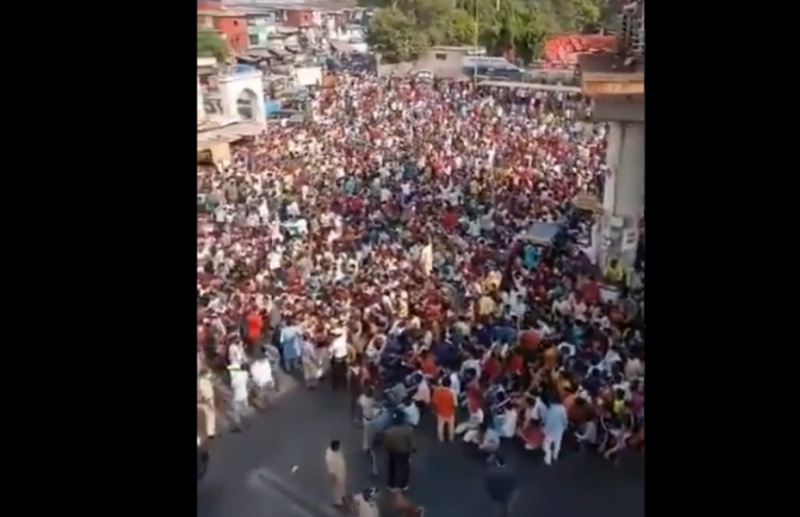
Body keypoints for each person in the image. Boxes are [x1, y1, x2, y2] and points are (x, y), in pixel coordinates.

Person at [381, 409, 414, 491]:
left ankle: (391, 485)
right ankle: (403, 485)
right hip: (404, 452)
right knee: (405, 468)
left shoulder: (388, 432)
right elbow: (411, 442)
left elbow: (385, 444)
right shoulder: (408, 430)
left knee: (392, 467)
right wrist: (413, 449)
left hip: (392, 451)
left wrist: (386, 450)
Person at [538, 389, 568, 466]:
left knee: (546, 444)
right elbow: (564, 419)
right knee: (558, 443)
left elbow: (544, 419)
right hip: (559, 429)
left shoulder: (547, 408)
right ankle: (555, 455)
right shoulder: (562, 408)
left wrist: (542, 426)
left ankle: (548, 455)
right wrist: (565, 425)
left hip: (549, 429)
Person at [431, 377, 457, 442]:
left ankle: (441, 438)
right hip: (450, 412)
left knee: (440, 426)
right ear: (450, 384)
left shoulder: (436, 391)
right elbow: (455, 404)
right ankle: (451, 438)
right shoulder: (452, 392)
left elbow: (435, 402)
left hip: (440, 412)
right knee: (451, 426)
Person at [228, 363, 250, 433]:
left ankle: (238, 427)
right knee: (244, 409)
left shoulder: (234, 379)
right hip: (245, 394)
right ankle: (247, 422)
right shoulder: (245, 374)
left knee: (236, 412)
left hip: (237, 397)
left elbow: (232, 387)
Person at [325, 439, 348, 507]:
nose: (340, 447)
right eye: (338, 446)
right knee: (337, 489)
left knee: (342, 486)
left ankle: (342, 495)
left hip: (341, 472)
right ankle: (338, 501)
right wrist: (332, 479)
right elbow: (331, 470)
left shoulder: (336, 451)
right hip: (337, 475)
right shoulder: (330, 457)